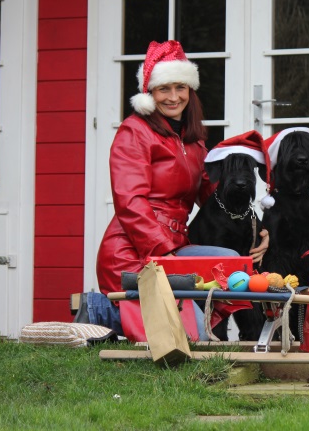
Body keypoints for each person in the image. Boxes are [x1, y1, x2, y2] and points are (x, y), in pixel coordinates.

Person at [94, 39, 268, 342]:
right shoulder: (134, 132)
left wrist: (258, 229)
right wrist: (166, 252)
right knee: (193, 337)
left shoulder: (194, 141)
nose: (173, 97)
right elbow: (130, 202)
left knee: (231, 262)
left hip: (175, 245)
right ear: (149, 93)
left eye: (180, 87)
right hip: (133, 251)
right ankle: (114, 316)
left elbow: (214, 198)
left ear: (190, 90)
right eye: (164, 89)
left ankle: (228, 336)